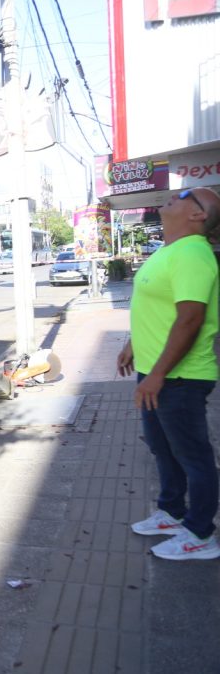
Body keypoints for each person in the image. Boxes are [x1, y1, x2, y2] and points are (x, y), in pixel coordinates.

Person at [117, 186, 220, 561]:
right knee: (163, 449)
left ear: (198, 215)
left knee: (193, 455)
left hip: (180, 377)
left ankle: (200, 534)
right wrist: (132, 343)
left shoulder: (194, 252)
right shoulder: (170, 250)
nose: (175, 196)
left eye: (186, 195)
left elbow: (190, 318)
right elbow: (157, 307)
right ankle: (172, 512)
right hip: (155, 371)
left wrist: (158, 373)